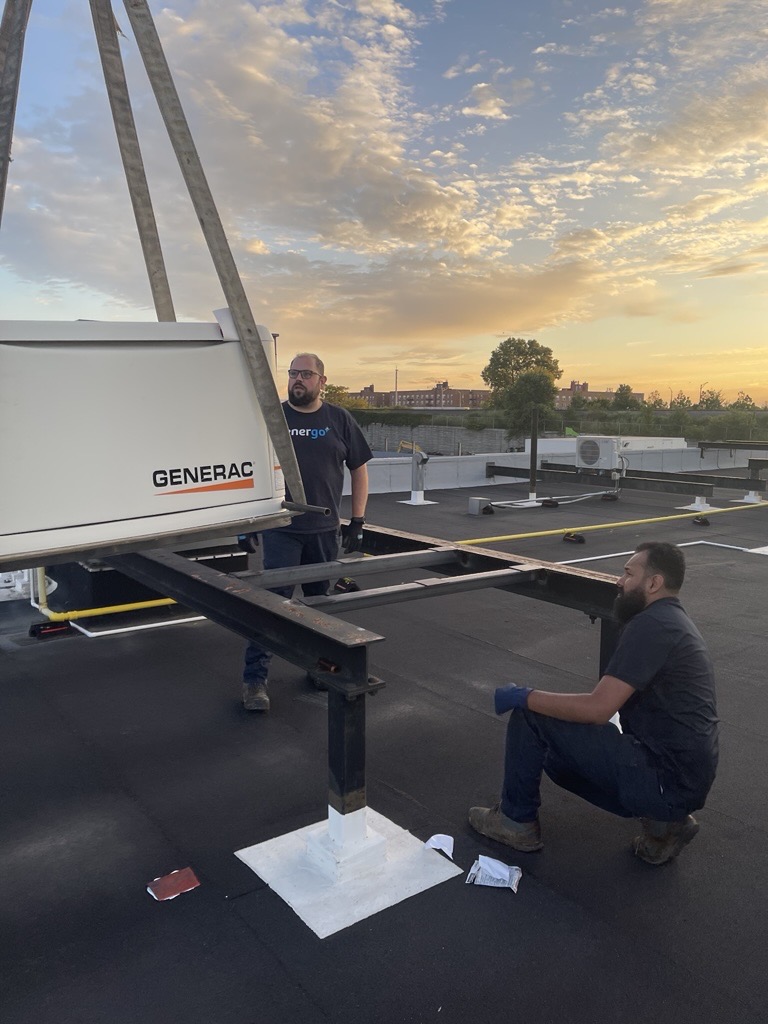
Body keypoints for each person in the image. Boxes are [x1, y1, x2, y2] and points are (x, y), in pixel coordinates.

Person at [469, 542, 718, 865]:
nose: (619, 581)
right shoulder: (672, 621)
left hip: (664, 779)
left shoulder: (652, 625)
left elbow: (599, 709)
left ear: (653, 584)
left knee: (531, 717)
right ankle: (665, 824)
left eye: (628, 574)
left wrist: (524, 695)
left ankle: (515, 823)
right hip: (682, 782)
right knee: (554, 754)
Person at [241, 352, 372, 712]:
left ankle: (321, 669)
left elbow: (359, 469)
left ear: (322, 381)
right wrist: (245, 520)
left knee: (321, 608)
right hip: (281, 528)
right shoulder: (273, 418)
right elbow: (249, 469)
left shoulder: (339, 419)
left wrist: (357, 521)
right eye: (293, 373)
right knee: (272, 606)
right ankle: (255, 680)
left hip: (325, 531)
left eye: (306, 374)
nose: (298, 379)